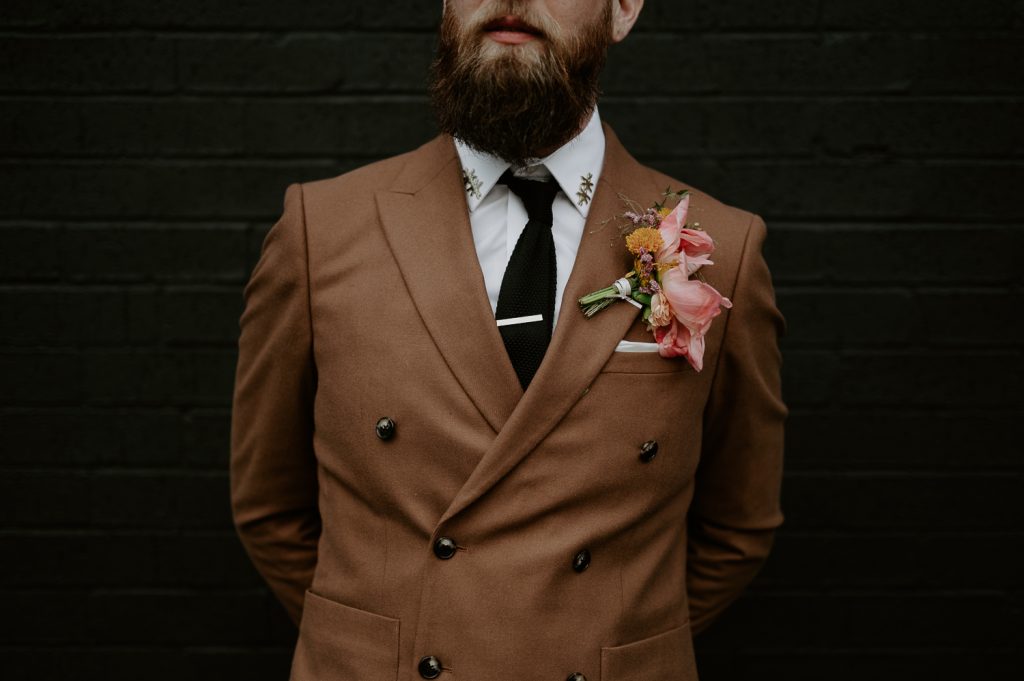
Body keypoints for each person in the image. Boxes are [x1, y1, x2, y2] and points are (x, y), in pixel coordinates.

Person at [229, 1, 787, 679]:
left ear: (625, 8)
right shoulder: (319, 231)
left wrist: (608, 638)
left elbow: (739, 524)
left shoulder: (721, 251)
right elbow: (268, 506)